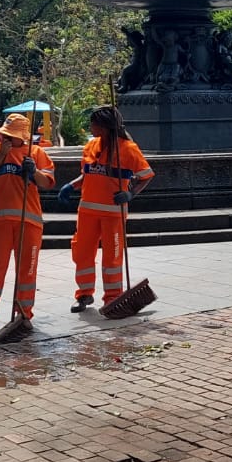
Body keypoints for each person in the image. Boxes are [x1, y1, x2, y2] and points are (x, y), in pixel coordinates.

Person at [57, 106, 153, 313]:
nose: (90, 126)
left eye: (93, 123)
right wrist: (71, 186)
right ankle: (84, 295)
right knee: (82, 253)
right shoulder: (91, 146)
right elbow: (88, 175)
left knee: (112, 257)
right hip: (87, 211)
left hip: (113, 213)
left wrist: (130, 194)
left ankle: (113, 296)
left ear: (105, 126)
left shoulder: (128, 149)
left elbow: (146, 175)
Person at [0, 113, 56, 341]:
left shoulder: (36, 153)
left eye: (11, 137)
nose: (7, 139)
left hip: (28, 222)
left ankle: (24, 315)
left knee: (27, 271)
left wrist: (33, 171)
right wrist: (1, 155)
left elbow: (47, 182)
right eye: (5, 135)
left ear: (23, 138)